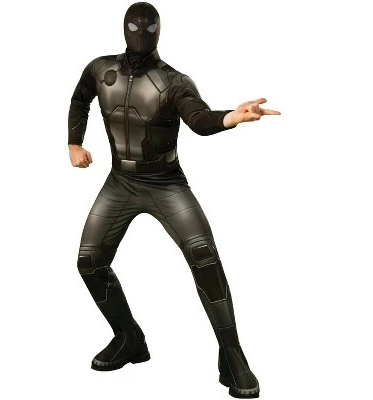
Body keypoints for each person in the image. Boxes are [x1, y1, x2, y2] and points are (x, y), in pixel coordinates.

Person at [68, 2, 280, 398]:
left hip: (166, 182)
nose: (140, 34)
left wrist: (231, 117)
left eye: (148, 28)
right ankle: (128, 338)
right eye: (134, 27)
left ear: (159, 31)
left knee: (205, 255)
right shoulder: (99, 69)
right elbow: (80, 99)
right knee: (89, 261)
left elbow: (199, 120)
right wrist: (74, 143)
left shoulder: (175, 82)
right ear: (123, 28)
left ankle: (232, 355)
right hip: (120, 181)